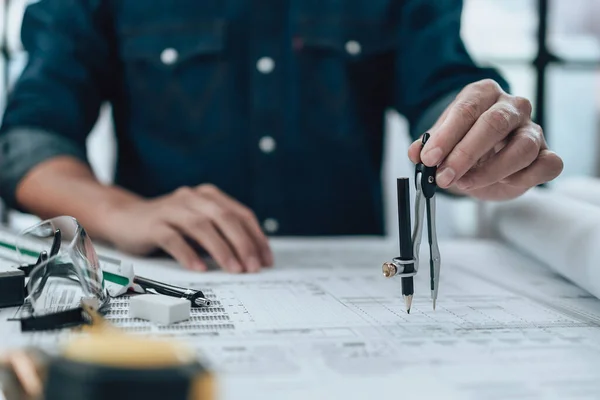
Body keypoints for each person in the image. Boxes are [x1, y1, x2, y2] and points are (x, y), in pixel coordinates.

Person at [0, 0, 563, 273]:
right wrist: (122, 212)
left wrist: (481, 134)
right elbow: (27, 140)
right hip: (165, 280)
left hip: (356, 292)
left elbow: (441, 85)